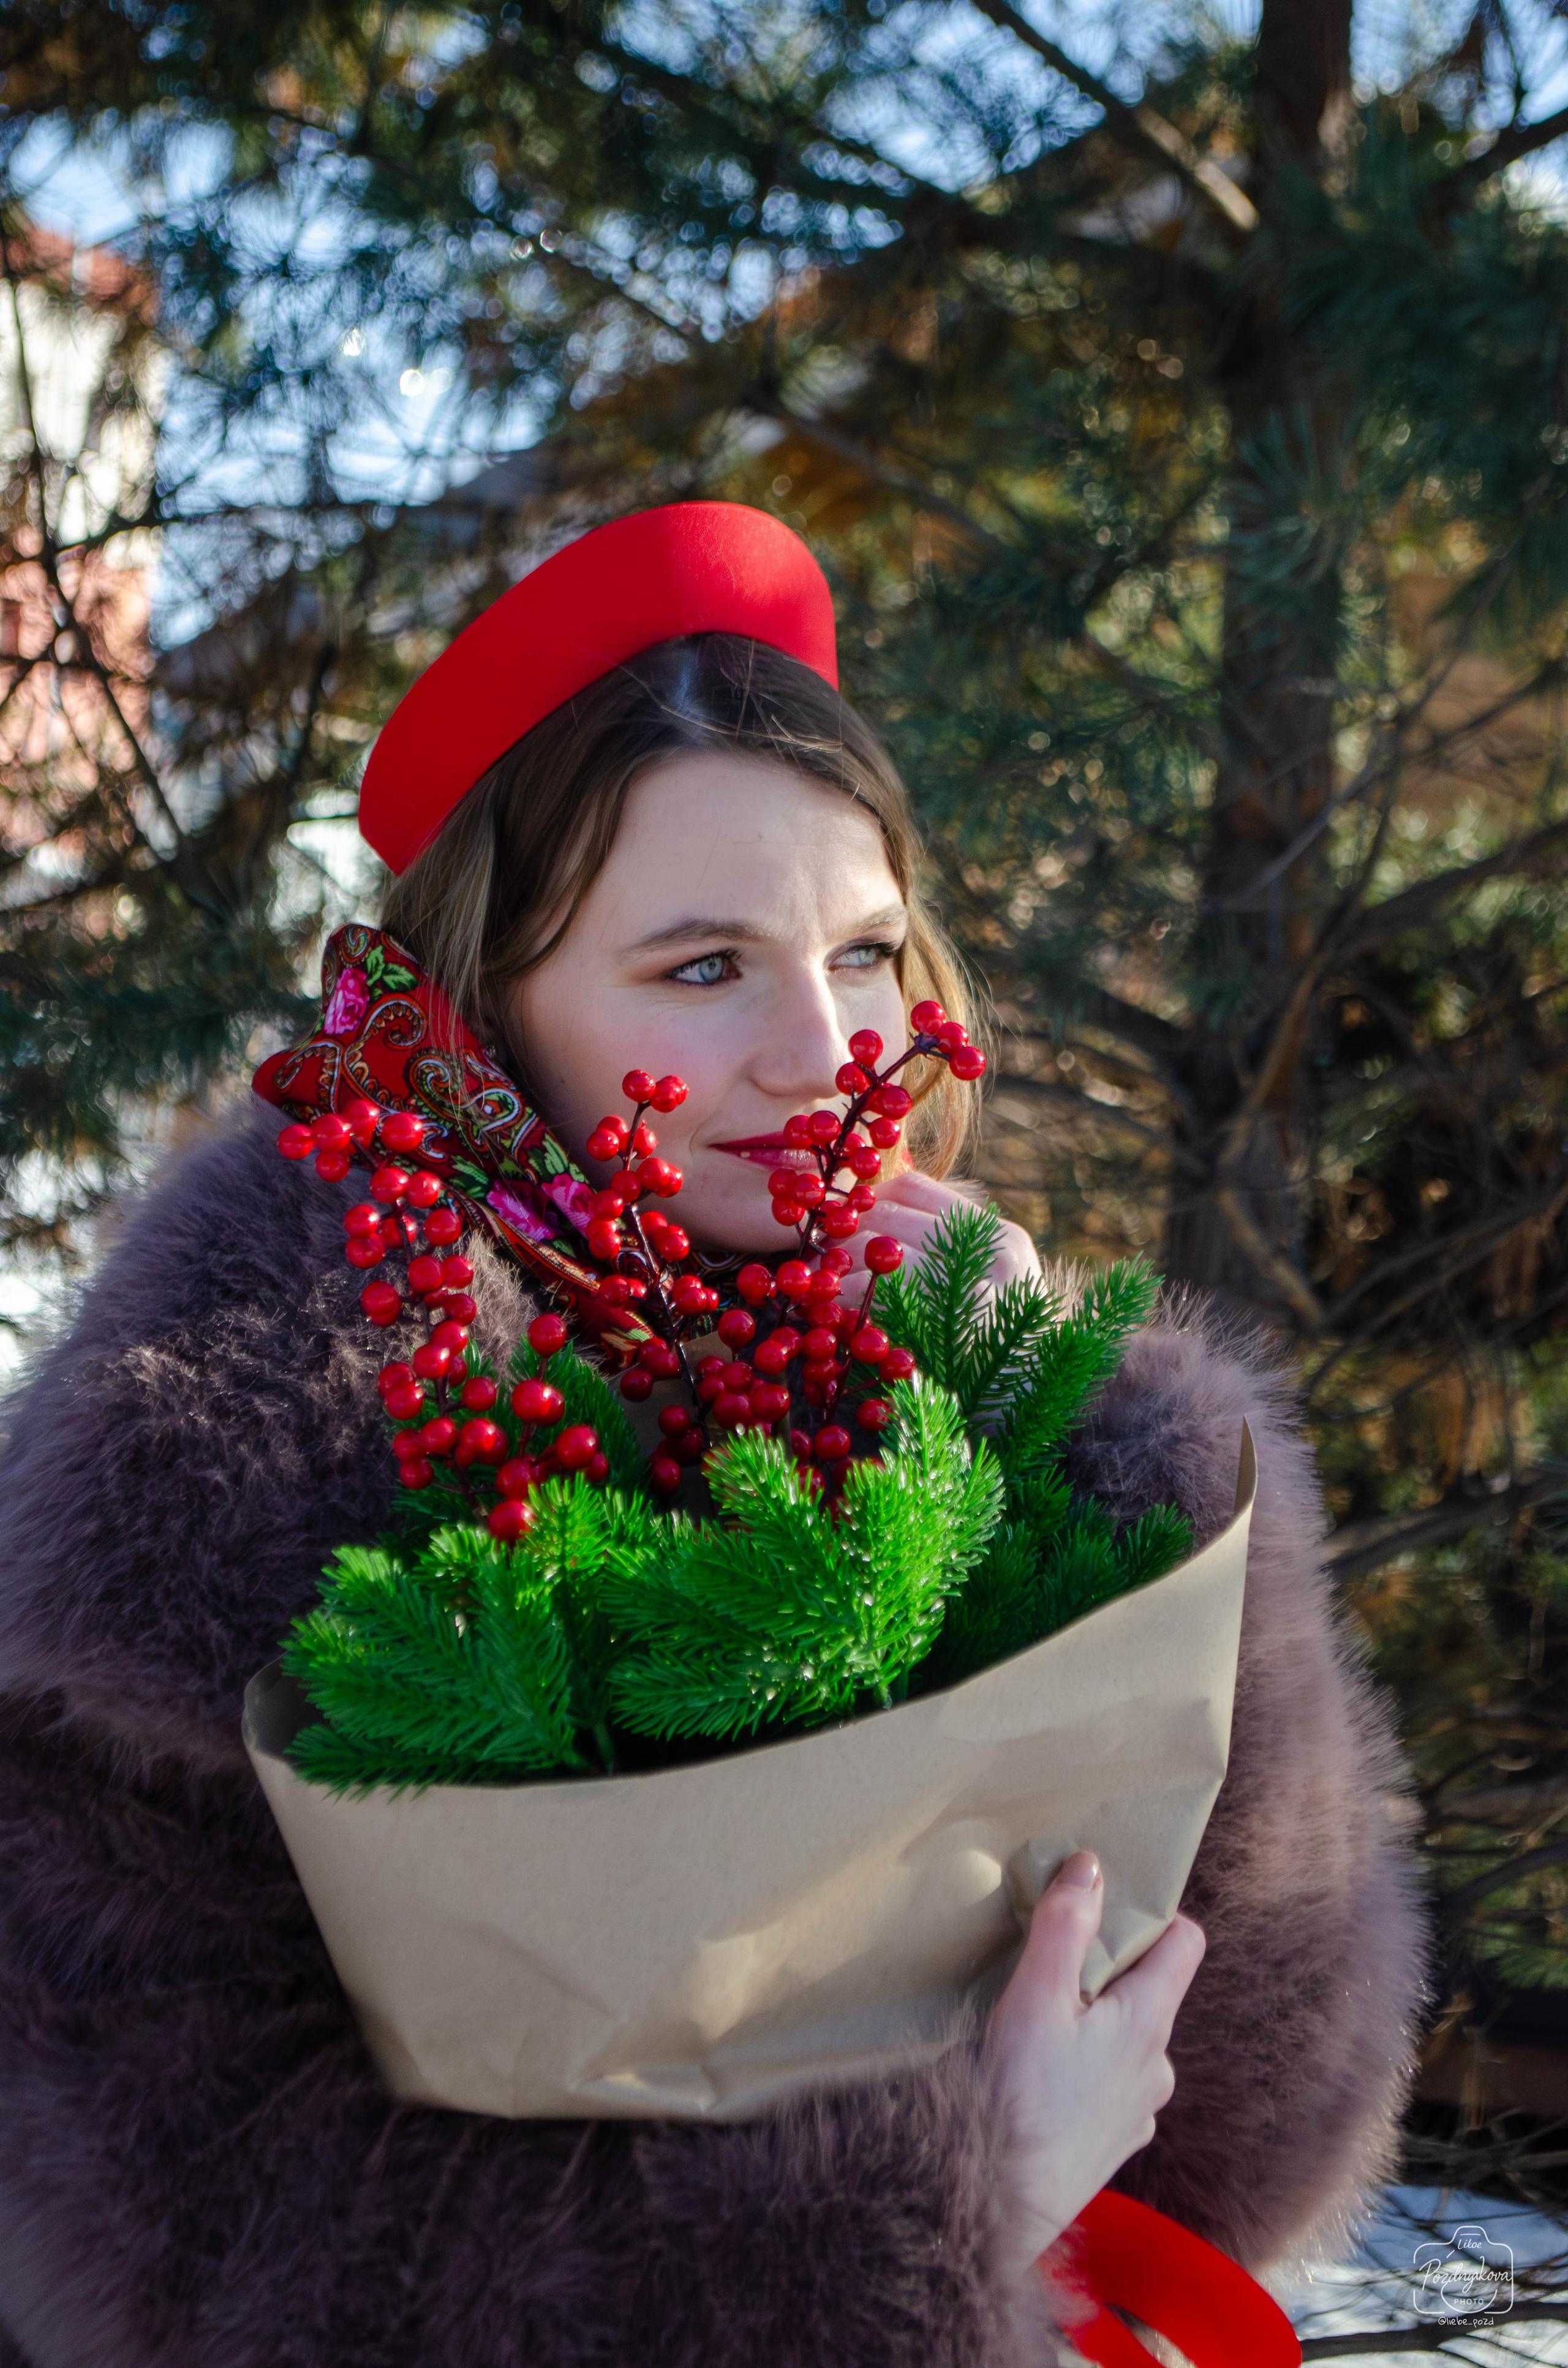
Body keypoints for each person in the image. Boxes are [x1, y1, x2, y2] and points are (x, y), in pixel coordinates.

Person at [0, 504, 1425, 2366]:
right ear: (484, 1006)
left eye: (864, 952)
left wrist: (1087, 1438)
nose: (827, 1056)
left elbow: (1260, 2114)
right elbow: (169, 2230)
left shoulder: (942, 1369)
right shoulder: (238, 1434)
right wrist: (944, 2203)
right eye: (701, 968)